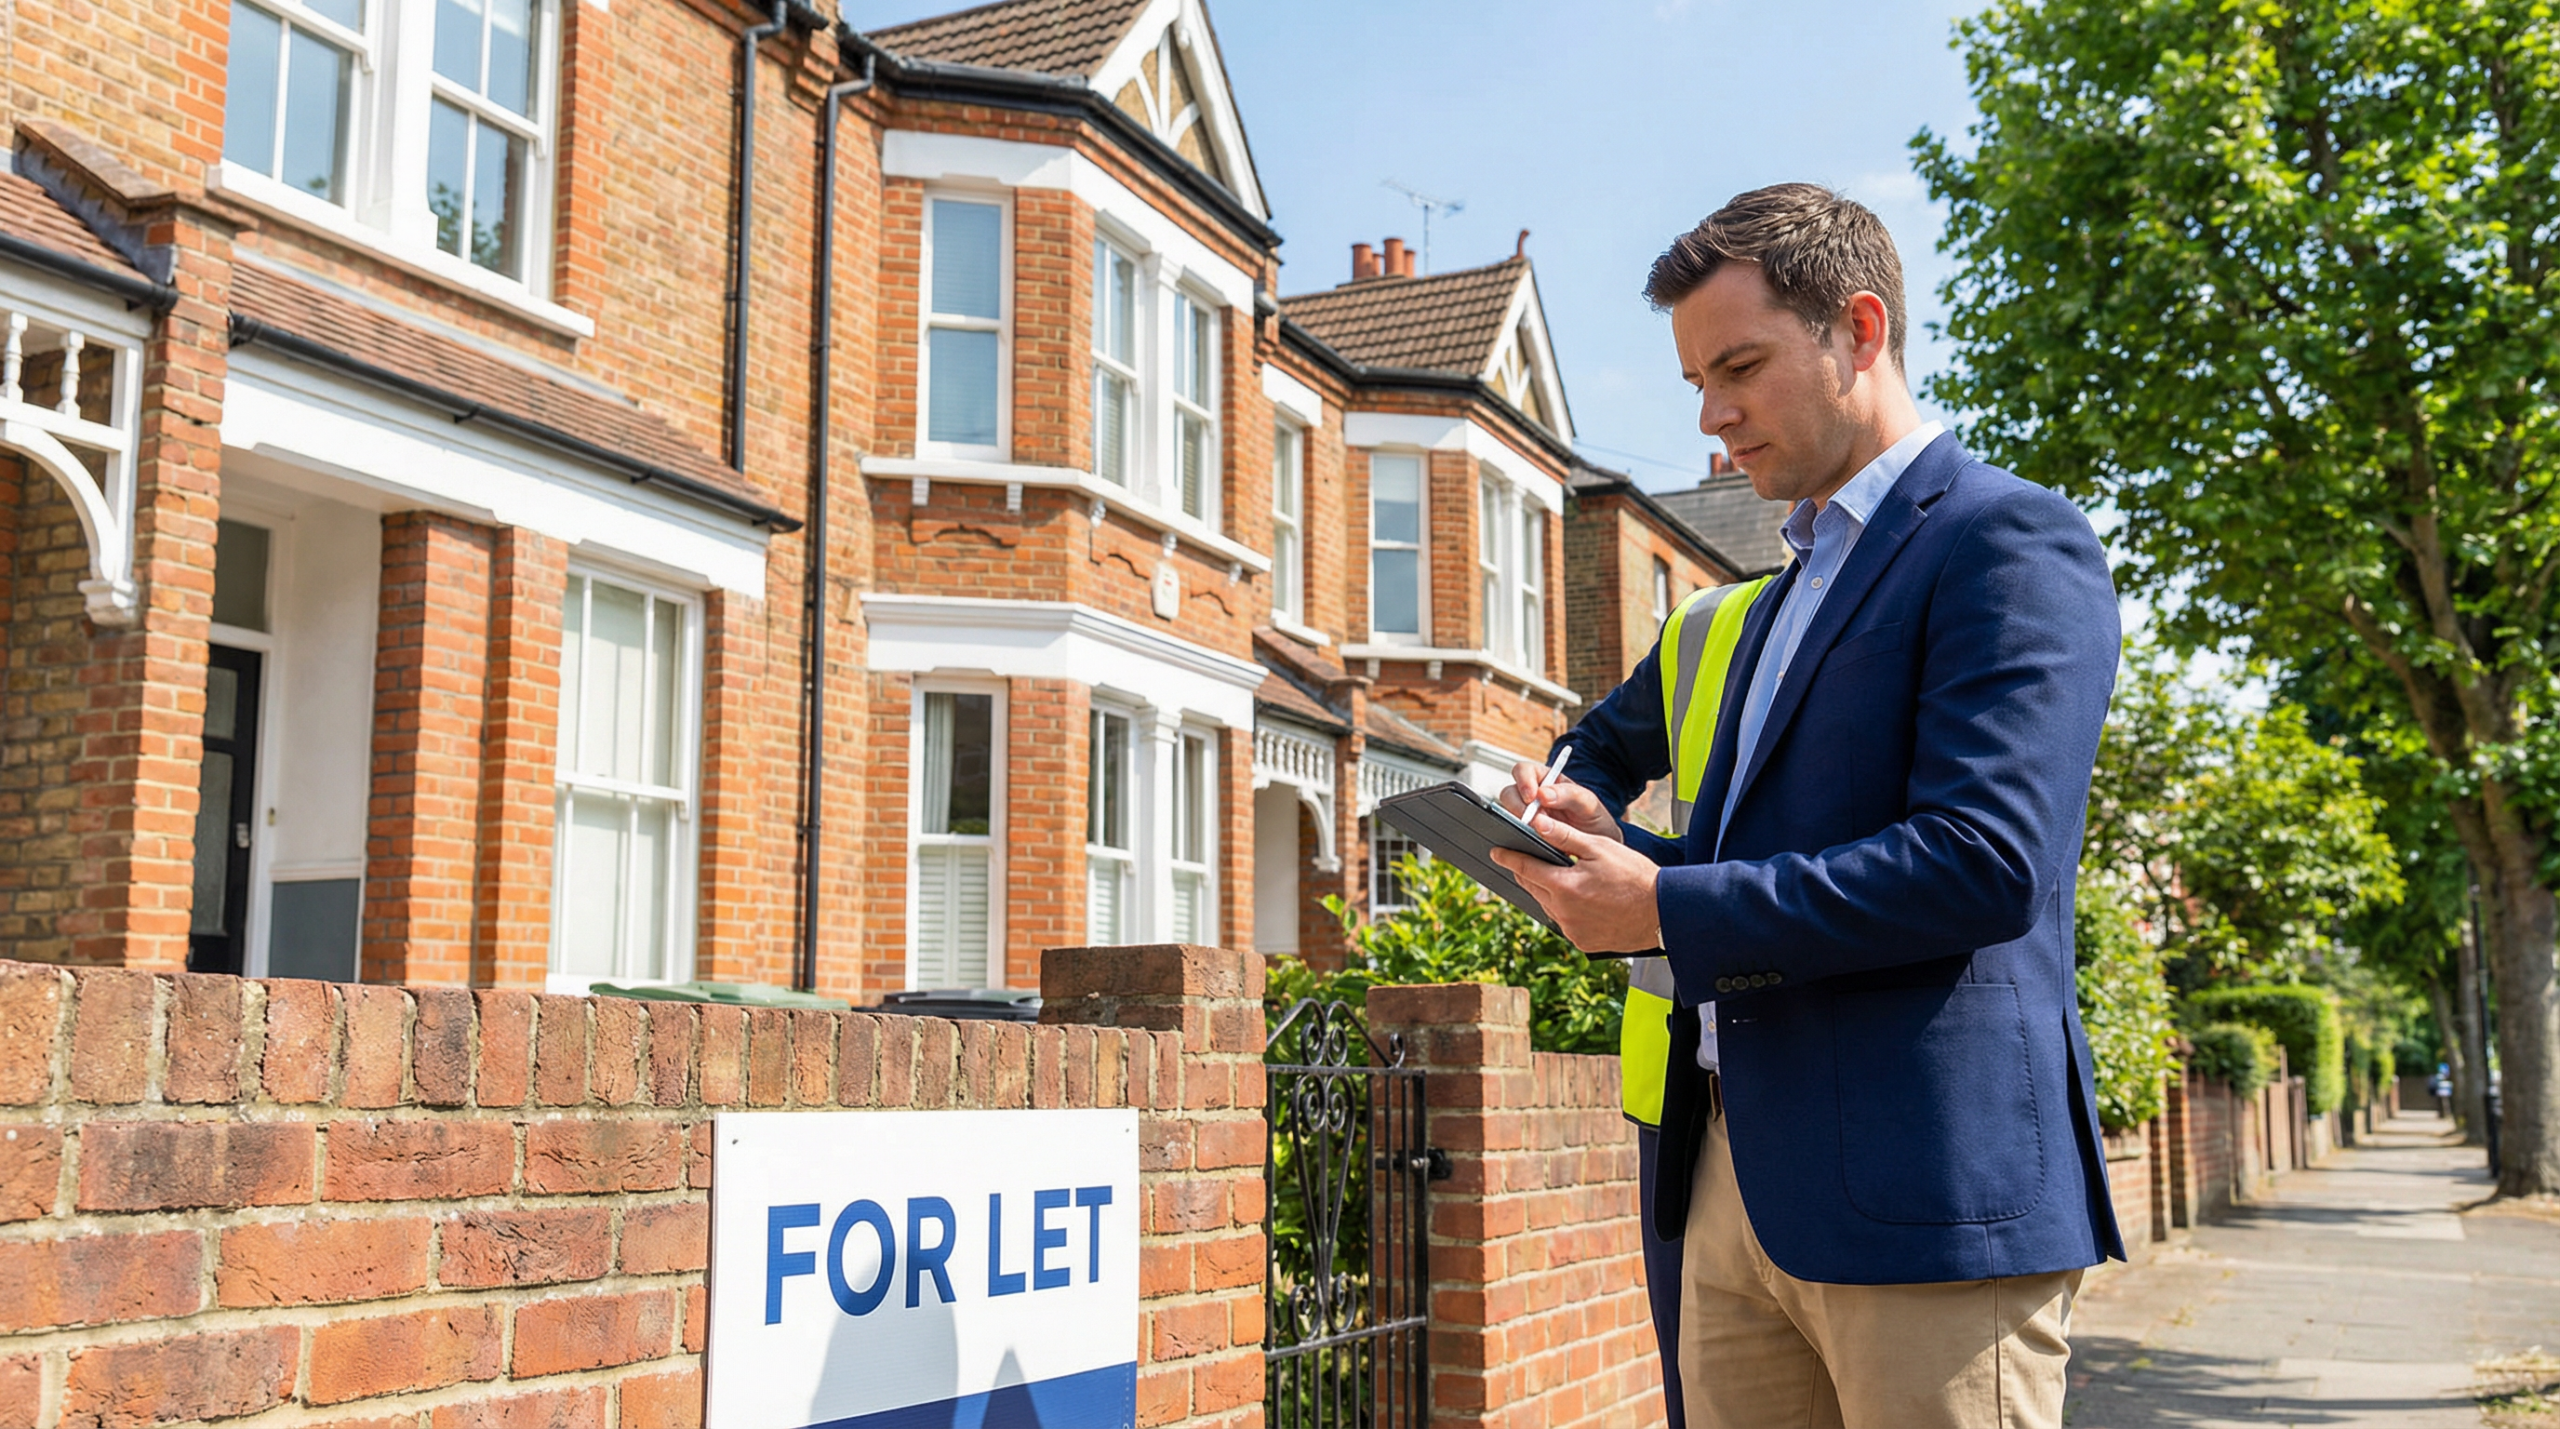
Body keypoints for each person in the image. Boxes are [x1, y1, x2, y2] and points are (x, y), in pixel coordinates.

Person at [1492, 183, 2123, 1429]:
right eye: (1693, 384)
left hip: (1924, 1194)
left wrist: (1664, 902)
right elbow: (1764, 869)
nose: (1714, 419)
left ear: (1860, 330)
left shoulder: (2008, 540)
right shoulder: (1767, 602)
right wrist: (1621, 857)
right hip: (1728, 1177)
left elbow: (1982, 862)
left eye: (1740, 366)